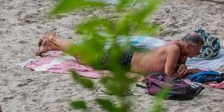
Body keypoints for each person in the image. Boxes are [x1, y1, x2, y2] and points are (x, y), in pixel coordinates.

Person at [36, 32, 205, 78]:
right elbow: (169, 74)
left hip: (128, 60)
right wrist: (188, 72)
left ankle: (52, 45)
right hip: (125, 59)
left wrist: (184, 67)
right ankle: (53, 39)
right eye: (196, 51)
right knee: (83, 57)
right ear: (188, 46)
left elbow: (175, 68)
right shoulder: (174, 48)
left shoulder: (182, 53)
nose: (197, 54)